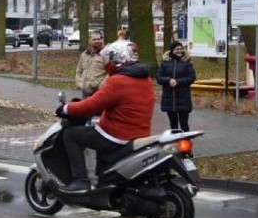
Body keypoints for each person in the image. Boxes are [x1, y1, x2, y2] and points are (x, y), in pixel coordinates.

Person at [56, 40, 155, 192]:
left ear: (117, 57)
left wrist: (67, 108)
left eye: (108, 58)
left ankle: (81, 180)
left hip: (116, 135)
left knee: (70, 134)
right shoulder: (145, 79)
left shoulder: (118, 80)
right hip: (139, 134)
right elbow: (123, 105)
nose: (106, 62)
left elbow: (92, 104)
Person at [156, 41, 196, 132]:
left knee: (184, 124)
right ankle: (175, 142)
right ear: (172, 50)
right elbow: (159, 77)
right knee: (173, 125)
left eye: (181, 49)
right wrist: (168, 80)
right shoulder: (165, 63)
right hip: (169, 99)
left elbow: (191, 78)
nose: (179, 51)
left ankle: (186, 142)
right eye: (177, 49)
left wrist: (177, 82)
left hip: (183, 99)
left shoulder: (187, 63)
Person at [75, 30, 106, 97]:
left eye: (99, 39)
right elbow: (79, 71)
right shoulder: (84, 54)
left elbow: (110, 73)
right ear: (90, 41)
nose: (97, 41)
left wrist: (102, 85)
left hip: (99, 92)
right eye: (94, 39)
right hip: (85, 91)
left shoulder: (106, 54)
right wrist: (79, 83)